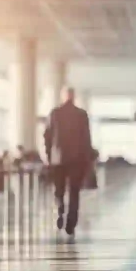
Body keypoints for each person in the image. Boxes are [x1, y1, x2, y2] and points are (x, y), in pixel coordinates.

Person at [43, 87, 93, 237]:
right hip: (77, 160)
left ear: (63, 96)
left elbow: (47, 136)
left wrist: (49, 155)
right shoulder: (81, 114)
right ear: (74, 96)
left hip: (58, 159)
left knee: (59, 189)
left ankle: (60, 210)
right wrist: (88, 159)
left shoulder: (54, 113)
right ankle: (71, 222)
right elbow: (86, 139)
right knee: (74, 191)